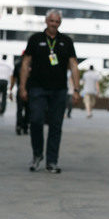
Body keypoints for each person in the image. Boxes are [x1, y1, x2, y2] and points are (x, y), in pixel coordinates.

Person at [19, 9, 80, 173]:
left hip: (59, 90)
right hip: (37, 88)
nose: (54, 24)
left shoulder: (66, 41)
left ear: (60, 23)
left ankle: (52, 161)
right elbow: (25, 63)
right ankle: (37, 154)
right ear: (46, 21)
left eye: (57, 22)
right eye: (52, 21)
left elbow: (73, 65)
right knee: (36, 121)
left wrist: (76, 89)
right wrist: (22, 87)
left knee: (56, 125)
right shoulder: (35, 39)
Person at [9, 53, 29, 134]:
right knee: (19, 110)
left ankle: (25, 126)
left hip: (30, 91)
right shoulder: (18, 65)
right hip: (20, 90)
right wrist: (10, 89)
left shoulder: (33, 65)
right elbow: (13, 78)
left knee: (29, 110)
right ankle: (19, 125)